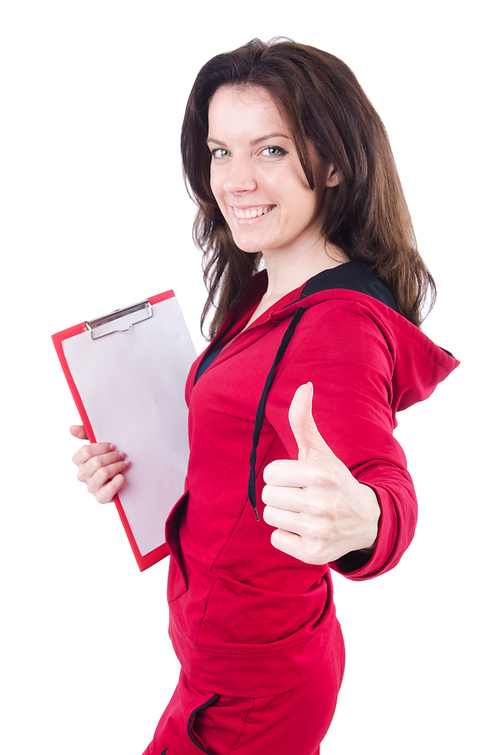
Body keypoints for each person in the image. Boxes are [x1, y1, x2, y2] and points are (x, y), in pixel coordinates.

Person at [70, 39, 459, 755]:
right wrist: (137, 463)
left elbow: (381, 481)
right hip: (216, 669)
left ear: (336, 163)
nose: (236, 179)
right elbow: (241, 446)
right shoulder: (265, 289)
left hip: (254, 693)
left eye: (272, 150)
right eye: (221, 151)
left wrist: (368, 517)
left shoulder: (336, 327)